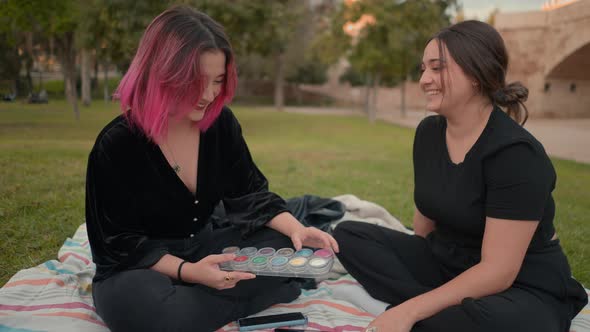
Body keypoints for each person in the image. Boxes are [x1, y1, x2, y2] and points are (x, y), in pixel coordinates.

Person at [85, 6, 338, 332]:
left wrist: (295, 228)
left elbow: (249, 193)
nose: (208, 95)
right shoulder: (116, 144)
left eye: (217, 81)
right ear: (163, 74)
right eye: (197, 82)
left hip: (208, 247)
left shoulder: (220, 125)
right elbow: (116, 244)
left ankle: (205, 302)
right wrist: (190, 272)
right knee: (154, 312)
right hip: (138, 268)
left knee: (287, 244)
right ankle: (258, 293)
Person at [333, 20, 587, 332]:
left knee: (470, 322)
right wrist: (414, 261)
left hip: (521, 285)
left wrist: (410, 308)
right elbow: (425, 219)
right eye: (423, 68)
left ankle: (422, 310)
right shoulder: (428, 133)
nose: (425, 79)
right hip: (447, 263)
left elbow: (498, 271)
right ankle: (436, 307)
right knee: (348, 236)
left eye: (437, 68)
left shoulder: (515, 154)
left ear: (477, 74)